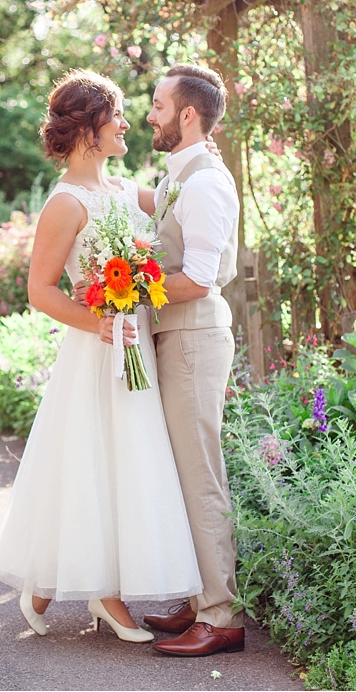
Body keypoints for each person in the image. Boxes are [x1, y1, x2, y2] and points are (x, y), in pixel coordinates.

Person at [0, 69, 201, 644]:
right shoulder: (64, 203)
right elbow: (41, 290)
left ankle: (52, 580)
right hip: (96, 350)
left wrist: (207, 164)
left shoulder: (127, 190)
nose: (129, 124)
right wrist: (99, 322)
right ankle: (99, 594)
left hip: (137, 351)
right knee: (91, 463)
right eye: (118, 116)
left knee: (125, 465)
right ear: (88, 129)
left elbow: (186, 202)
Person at [140, 64, 244, 657]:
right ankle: (197, 596)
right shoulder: (180, 176)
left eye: (157, 105)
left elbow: (201, 279)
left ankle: (221, 616)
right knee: (180, 474)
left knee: (201, 478)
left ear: (186, 115)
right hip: (173, 338)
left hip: (193, 339)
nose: (150, 114)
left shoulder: (205, 182)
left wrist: (126, 289)